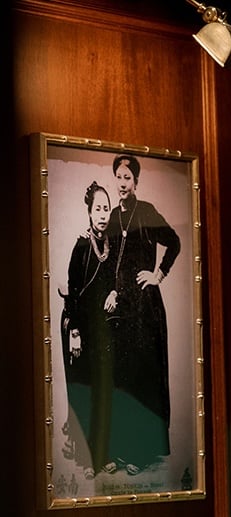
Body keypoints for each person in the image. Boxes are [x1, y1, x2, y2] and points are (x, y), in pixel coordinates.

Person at [106, 152, 181, 475]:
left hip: (145, 309)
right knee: (121, 378)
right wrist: (111, 290)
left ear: (136, 181)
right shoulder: (111, 216)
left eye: (127, 178)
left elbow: (174, 241)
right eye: (119, 178)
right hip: (121, 309)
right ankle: (121, 451)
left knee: (141, 380)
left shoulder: (146, 211)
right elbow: (111, 262)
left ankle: (142, 452)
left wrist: (158, 274)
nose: (122, 183)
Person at [59, 180, 117, 478]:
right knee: (88, 393)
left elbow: (117, 279)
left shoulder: (113, 245)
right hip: (83, 330)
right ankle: (87, 459)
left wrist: (114, 293)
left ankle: (103, 454)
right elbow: (73, 291)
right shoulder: (82, 247)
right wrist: (76, 333)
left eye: (107, 208)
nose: (103, 214)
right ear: (89, 212)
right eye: (98, 209)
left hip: (105, 331)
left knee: (106, 392)